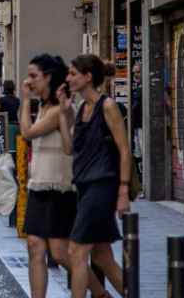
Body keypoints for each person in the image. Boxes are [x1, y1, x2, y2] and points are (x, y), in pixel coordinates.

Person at [18, 55, 104, 298]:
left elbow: (27, 132)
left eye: (34, 76)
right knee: (34, 246)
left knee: (60, 252)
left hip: (59, 187)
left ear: (48, 78)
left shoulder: (60, 110)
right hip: (38, 185)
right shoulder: (45, 107)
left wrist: (25, 102)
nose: (29, 81)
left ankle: (99, 292)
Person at [65, 55, 132, 298]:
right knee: (102, 257)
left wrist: (123, 190)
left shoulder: (108, 106)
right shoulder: (82, 107)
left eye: (73, 73)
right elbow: (70, 148)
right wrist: (64, 114)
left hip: (102, 185)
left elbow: (124, 149)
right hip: (84, 186)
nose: (68, 78)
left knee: (76, 251)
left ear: (88, 76)